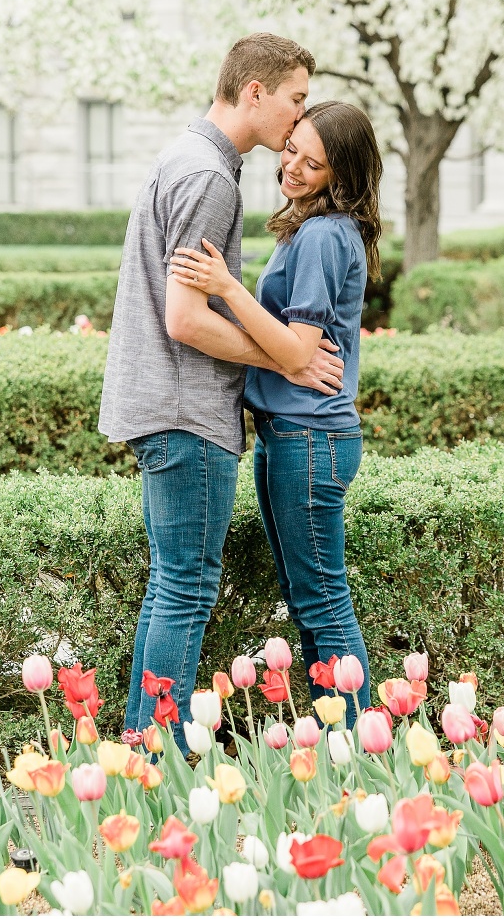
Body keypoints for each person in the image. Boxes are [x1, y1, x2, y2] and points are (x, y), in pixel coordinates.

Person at [99, 34, 346, 749]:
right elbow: (184, 318)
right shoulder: (211, 177)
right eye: (296, 99)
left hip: (163, 407)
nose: (299, 119)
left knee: (171, 587)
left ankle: (143, 746)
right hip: (186, 411)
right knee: (185, 590)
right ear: (255, 93)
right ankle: (162, 754)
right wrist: (286, 363)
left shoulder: (186, 155)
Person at [170, 100, 383, 726]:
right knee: (308, 596)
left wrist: (228, 287)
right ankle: (332, 730)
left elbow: (296, 347)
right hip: (292, 433)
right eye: (291, 149)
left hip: (309, 436)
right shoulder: (317, 228)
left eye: (311, 164)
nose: (291, 166)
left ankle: (361, 743)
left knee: (321, 600)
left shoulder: (321, 234)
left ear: (339, 177)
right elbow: (289, 348)